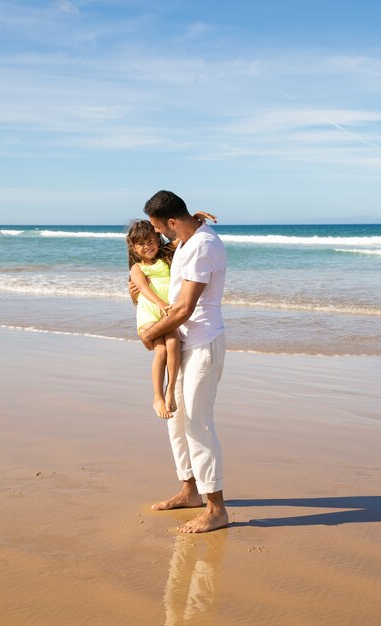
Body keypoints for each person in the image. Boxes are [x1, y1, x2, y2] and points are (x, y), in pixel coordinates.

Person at [138, 190, 228, 534]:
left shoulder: (203, 246)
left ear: (173, 221)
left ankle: (216, 508)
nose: (159, 235)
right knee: (176, 421)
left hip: (203, 343)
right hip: (184, 342)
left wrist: (150, 334)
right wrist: (194, 222)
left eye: (162, 228)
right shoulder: (188, 240)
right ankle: (189, 491)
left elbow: (184, 308)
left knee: (198, 424)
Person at [126, 220, 180, 419]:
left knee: (173, 342)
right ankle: (157, 396)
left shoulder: (165, 257)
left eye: (150, 241)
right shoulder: (137, 268)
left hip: (166, 311)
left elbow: (182, 234)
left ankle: (170, 389)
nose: (147, 246)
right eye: (140, 244)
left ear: (157, 238)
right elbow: (143, 289)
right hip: (150, 311)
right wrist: (160, 304)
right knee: (161, 349)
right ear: (133, 247)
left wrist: (195, 218)